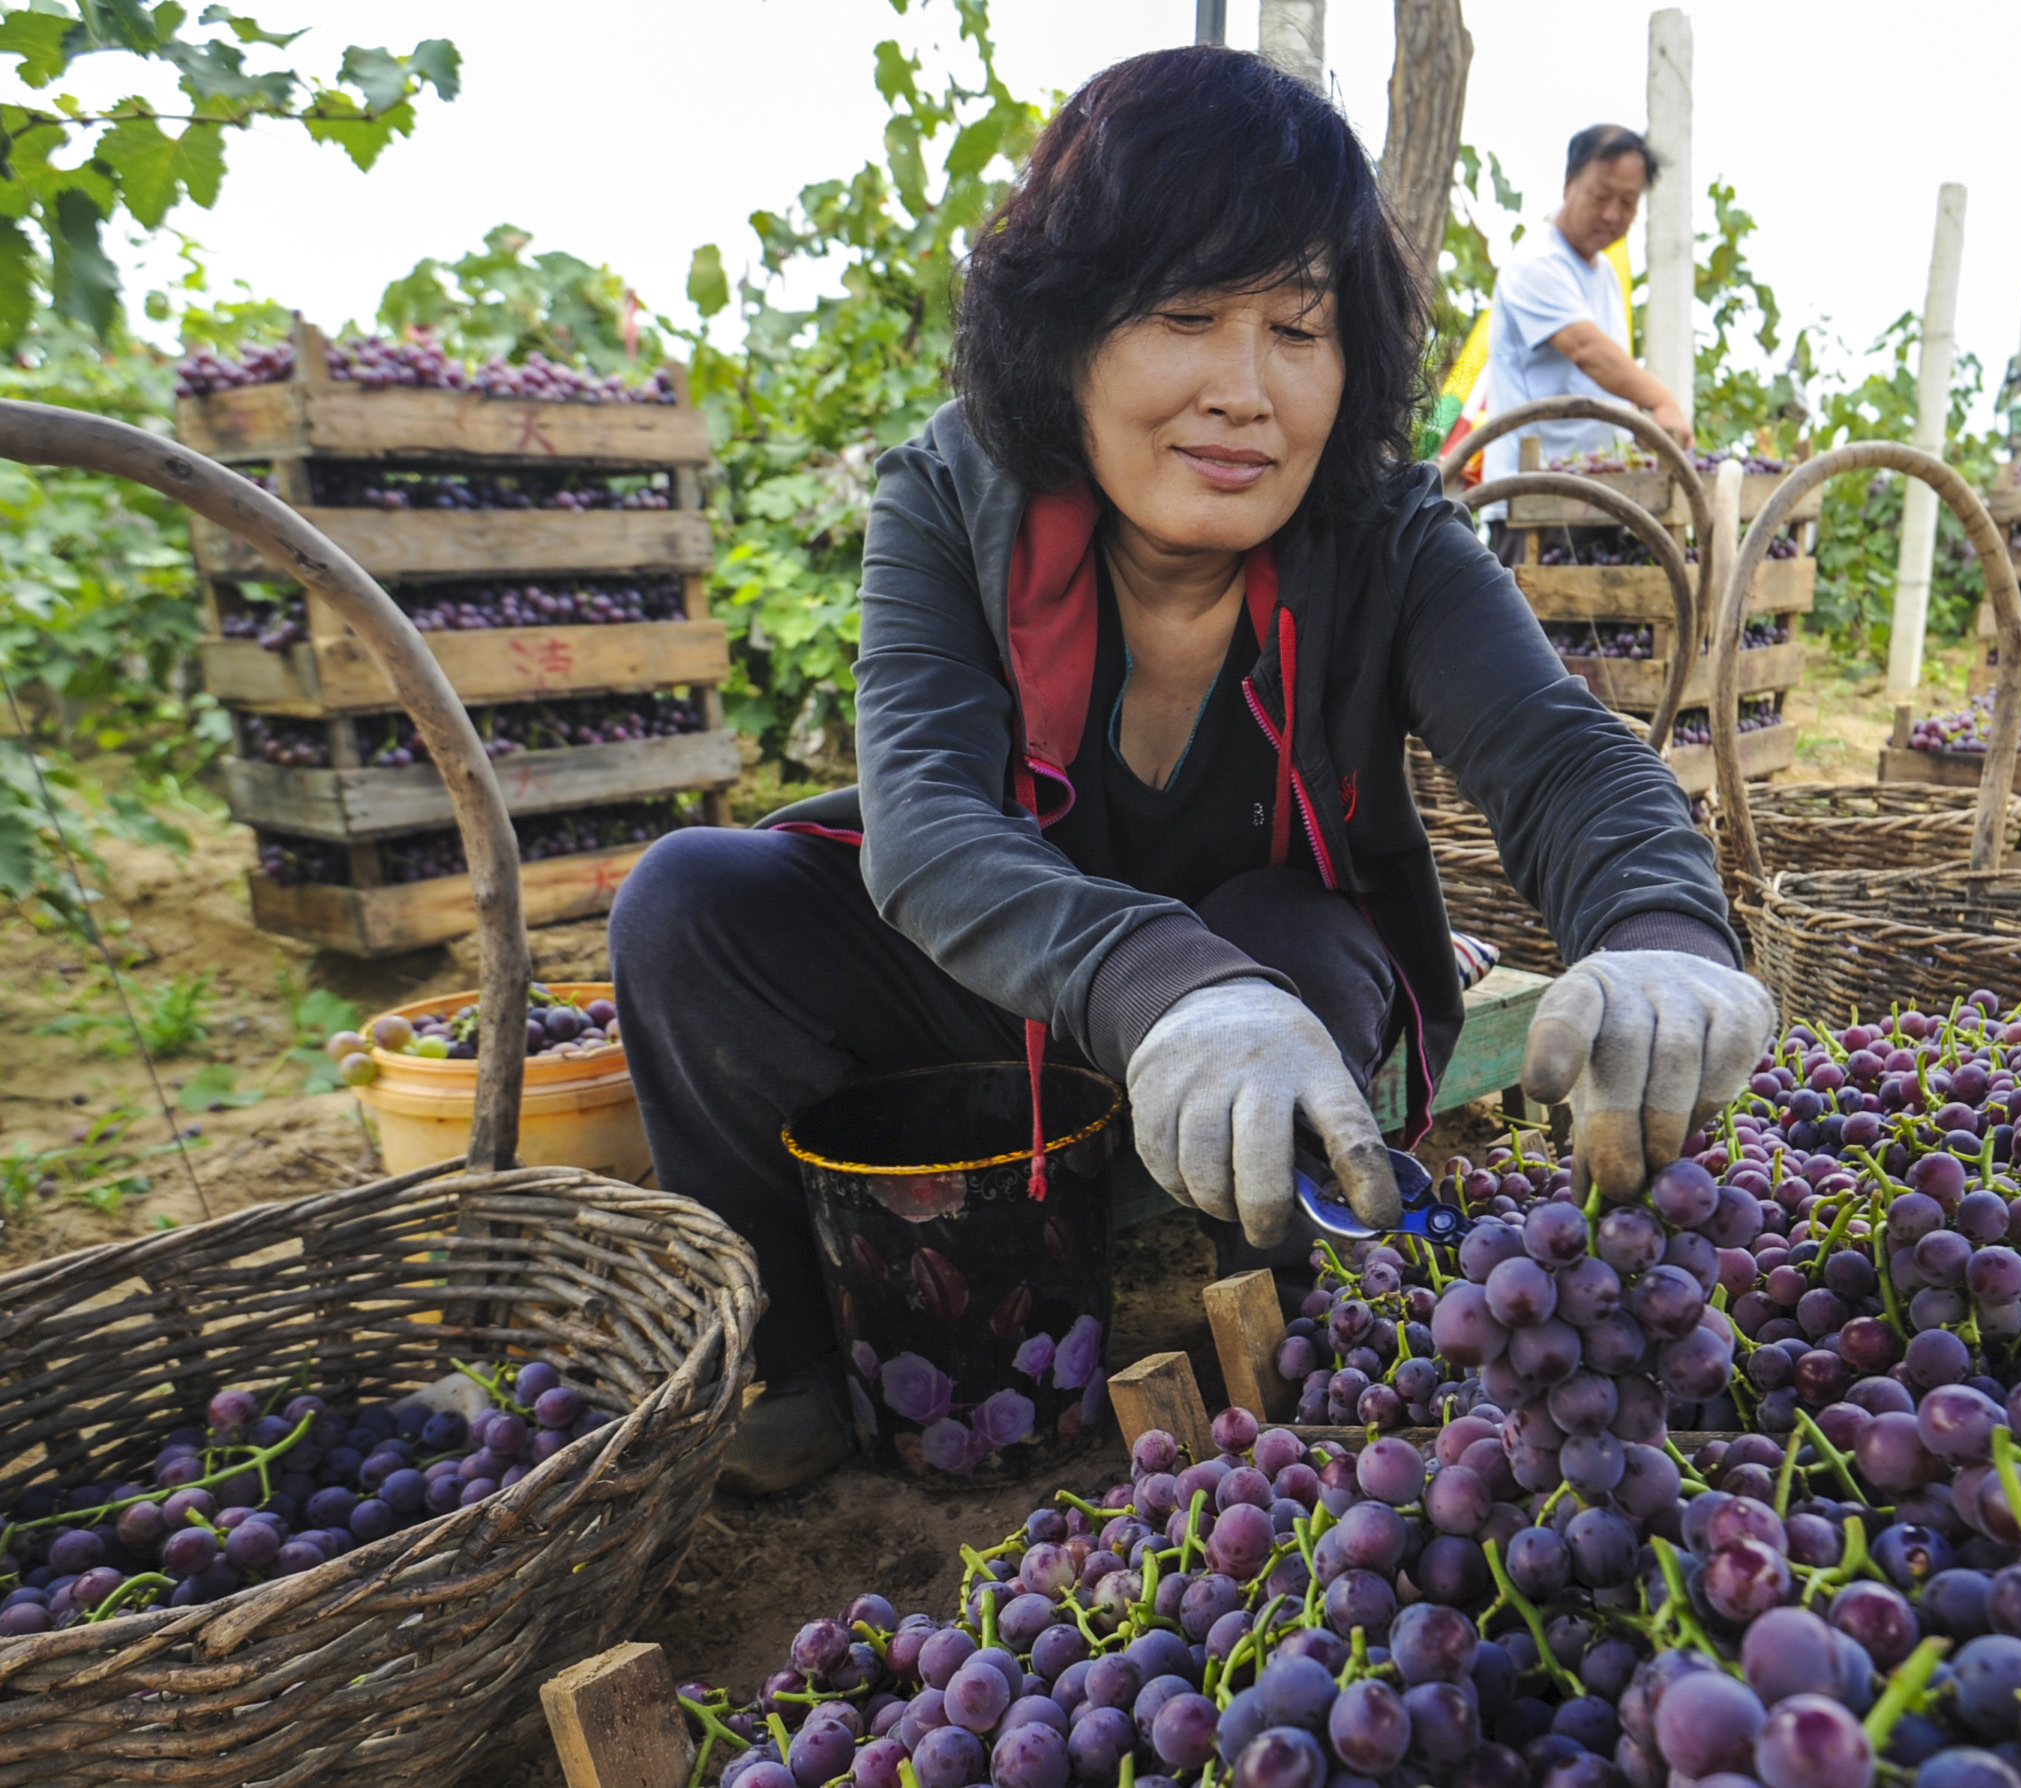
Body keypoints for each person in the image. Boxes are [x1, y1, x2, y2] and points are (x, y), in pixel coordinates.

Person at [609, 47, 1774, 1495]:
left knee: (1296, 946)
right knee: (690, 906)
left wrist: (1661, 933)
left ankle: (1284, 1331)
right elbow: (926, 824)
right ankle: (794, 1364)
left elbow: (1557, 756)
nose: (1245, 391)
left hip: (1281, 990)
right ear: (1066, 338)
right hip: (1014, 982)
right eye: (1183, 316)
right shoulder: (951, 497)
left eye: (1300, 328)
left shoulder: (1390, 535)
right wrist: (1171, 986)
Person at [1481, 124, 1692, 482]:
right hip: (1533, 492)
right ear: (1568, 185)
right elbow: (1586, 349)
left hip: (1596, 487)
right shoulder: (1538, 261)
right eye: (1600, 196)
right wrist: (1662, 401)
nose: (1612, 214)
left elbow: (1597, 381)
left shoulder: (1604, 272)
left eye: (1627, 203)